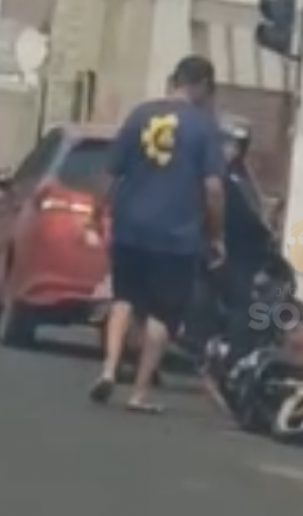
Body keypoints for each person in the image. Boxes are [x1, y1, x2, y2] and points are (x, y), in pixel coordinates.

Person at [88, 55, 226, 413]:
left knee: (123, 298)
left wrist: (95, 212)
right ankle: (138, 393)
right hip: (176, 233)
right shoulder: (203, 127)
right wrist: (215, 233)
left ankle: (107, 370)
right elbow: (213, 188)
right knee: (163, 315)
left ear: (174, 80)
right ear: (204, 87)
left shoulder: (139, 114)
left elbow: (109, 172)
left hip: (130, 224)